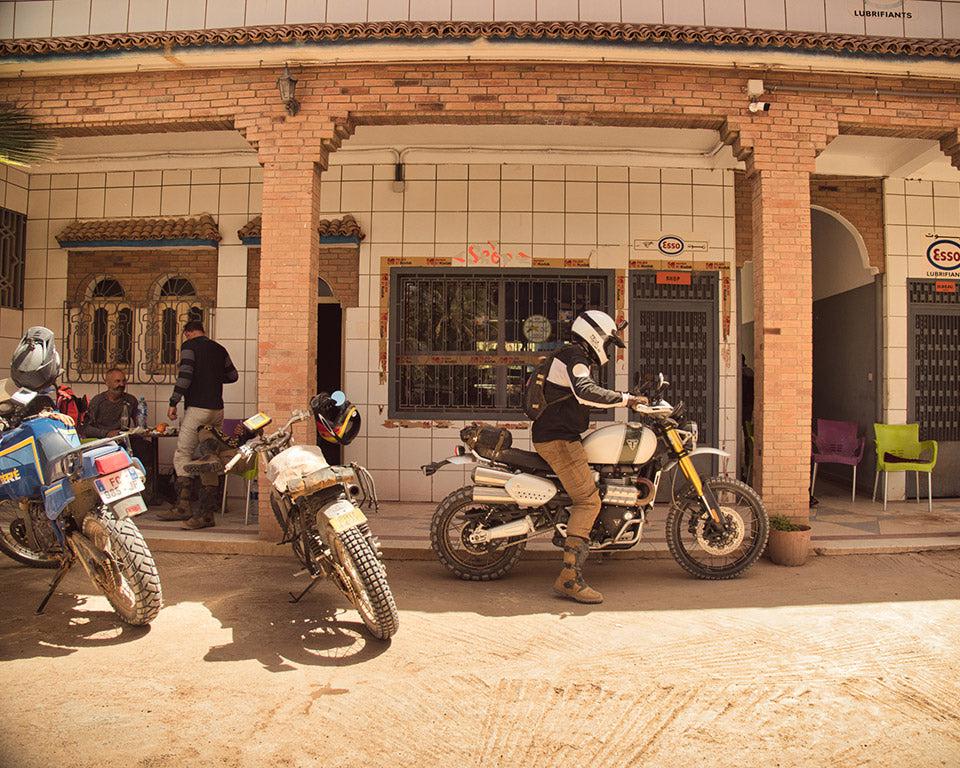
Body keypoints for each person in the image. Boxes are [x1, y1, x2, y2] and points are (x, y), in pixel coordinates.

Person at [532, 310, 647, 605]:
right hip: (559, 439)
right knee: (588, 500)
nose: (607, 350)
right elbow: (584, 392)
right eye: (608, 343)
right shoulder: (575, 357)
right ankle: (569, 578)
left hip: (560, 435)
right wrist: (626, 399)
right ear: (595, 335)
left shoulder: (571, 355)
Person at [156, 319, 238, 530]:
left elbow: (185, 376)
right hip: (217, 410)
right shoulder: (219, 349)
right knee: (209, 458)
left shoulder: (189, 346)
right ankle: (207, 513)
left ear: (187, 333)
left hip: (198, 409)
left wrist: (173, 401)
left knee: (182, 453)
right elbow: (233, 376)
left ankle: (183, 506)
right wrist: (211, 378)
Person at [83, 368, 155, 493]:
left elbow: (139, 423)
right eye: (117, 381)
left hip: (124, 440)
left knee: (146, 448)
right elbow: (87, 428)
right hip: (104, 442)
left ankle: (146, 492)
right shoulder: (98, 401)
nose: (121, 385)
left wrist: (139, 430)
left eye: (123, 381)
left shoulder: (130, 400)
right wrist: (106, 433)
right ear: (107, 382)